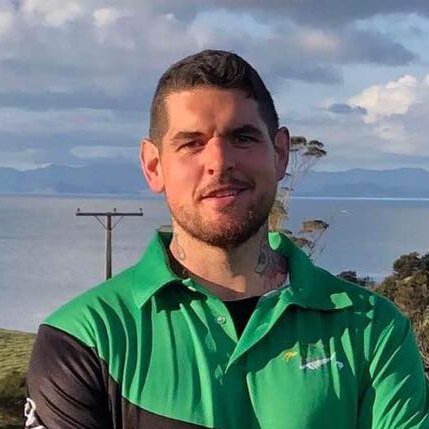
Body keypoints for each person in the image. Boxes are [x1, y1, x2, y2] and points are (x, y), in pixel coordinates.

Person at [25, 49, 429, 429]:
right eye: (192, 143)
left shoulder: (373, 328)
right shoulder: (84, 338)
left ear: (281, 154)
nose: (219, 162)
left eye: (243, 138)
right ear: (154, 166)